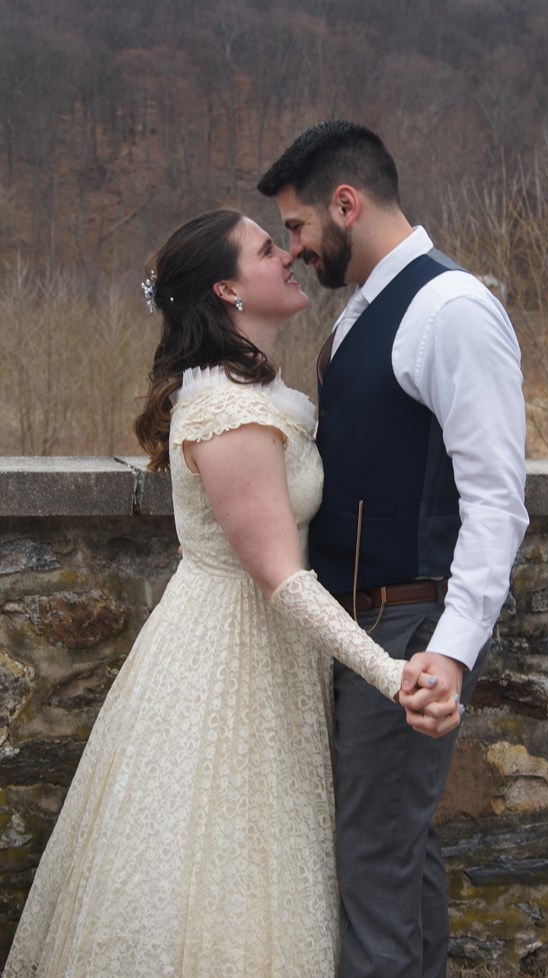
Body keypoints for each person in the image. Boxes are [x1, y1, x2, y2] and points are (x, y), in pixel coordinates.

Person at [2, 209, 447, 978]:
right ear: (227, 290)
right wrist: (390, 673)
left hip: (265, 658)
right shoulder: (225, 412)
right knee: (221, 870)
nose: (288, 256)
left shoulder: (252, 395)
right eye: (267, 249)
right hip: (228, 664)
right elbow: (280, 578)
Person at [257, 120, 529, 978]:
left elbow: (496, 501)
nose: (293, 250)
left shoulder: (452, 311)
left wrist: (452, 649)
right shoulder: (366, 311)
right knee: (398, 857)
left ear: (346, 204)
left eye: (297, 226)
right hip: (366, 628)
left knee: (373, 863)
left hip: (409, 627)